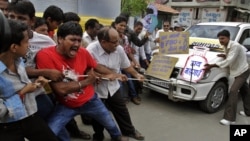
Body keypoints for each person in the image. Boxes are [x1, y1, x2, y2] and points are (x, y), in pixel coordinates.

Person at [8, 1, 90, 140]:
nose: (15, 22)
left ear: (32, 21)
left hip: (37, 93)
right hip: (11, 98)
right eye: (11, 16)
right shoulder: (3, 41)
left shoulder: (45, 41)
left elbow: (59, 57)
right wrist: (44, 72)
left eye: (21, 18)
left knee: (53, 124)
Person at [36, 21, 128, 141]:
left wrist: (112, 74)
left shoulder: (83, 52)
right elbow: (61, 89)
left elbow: (94, 66)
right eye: (72, 40)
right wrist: (88, 81)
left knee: (109, 122)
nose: (77, 44)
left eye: (79, 40)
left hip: (90, 100)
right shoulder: (45, 55)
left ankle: (117, 136)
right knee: (50, 131)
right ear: (60, 39)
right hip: (66, 105)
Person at [0, 18, 58, 141]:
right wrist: (22, 92)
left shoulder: (19, 60)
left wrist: (36, 84)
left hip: (30, 114)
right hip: (8, 125)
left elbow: (24, 83)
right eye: (26, 42)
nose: (29, 46)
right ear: (14, 47)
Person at [87, 26, 145, 140]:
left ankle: (129, 131)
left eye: (118, 41)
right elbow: (90, 70)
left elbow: (126, 66)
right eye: (114, 42)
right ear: (103, 42)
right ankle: (98, 135)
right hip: (96, 89)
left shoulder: (119, 49)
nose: (117, 44)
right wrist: (108, 75)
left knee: (121, 109)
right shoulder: (91, 50)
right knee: (97, 114)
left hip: (114, 87)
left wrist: (136, 75)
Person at [203, 29, 250, 125]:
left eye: (223, 38)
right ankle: (248, 112)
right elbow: (230, 56)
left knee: (233, 91)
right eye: (219, 39)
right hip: (237, 71)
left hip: (242, 71)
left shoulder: (235, 46)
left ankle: (230, 119)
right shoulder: (226, 46)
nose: (221, 41)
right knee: (245, 91)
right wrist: (224, 55)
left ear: (228, 38)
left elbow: (229, 61)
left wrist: (212, 65)